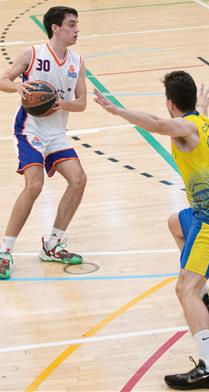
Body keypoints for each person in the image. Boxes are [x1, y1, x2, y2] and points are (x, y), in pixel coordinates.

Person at [93, 71, 209, 390]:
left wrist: (117, 111)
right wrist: (204, 106)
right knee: (175, 224)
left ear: (169, 103)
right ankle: (206, 298)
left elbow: (159, 124)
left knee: (183, 289)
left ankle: (208, 368)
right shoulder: (204, 122)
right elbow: (195, 121)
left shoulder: (184, 126)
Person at [0, 6, 87, 280]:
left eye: (76, 25)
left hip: (57, 133)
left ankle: (52, 245)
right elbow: (2, 79)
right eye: (71, 25)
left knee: (78, 180)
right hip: (30, 130)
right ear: (56, 28)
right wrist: (19, 87)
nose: (76, 30)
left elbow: (82, 102)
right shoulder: (32, 54)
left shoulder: (77, 61)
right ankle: (4, 252)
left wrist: (64, 104)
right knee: (34, 184)